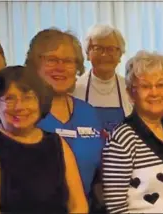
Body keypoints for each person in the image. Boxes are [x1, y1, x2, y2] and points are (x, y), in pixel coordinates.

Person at [0, 65, 88, 213]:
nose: (19, 106)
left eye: (28, 98)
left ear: (40, 103)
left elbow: (79, 205)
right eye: (9, 99)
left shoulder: (56, 142)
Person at [102, 50, 163, 213]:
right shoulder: (123, 139)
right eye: (145, 86)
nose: (154, 93)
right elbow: (115, 208)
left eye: (160, 85)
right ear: (131, 93)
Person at [24, 28, 105, 203]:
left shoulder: (89, 113)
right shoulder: (22, 114)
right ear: (34, 65)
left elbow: (101, 175)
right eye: (51, 60)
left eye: (68, 61)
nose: (60, 67)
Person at [72, 24, 132, 136]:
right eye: (98, 48)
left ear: (120, 55)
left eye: (111, 49)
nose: (104, 54)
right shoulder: (74, 89)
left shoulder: (130, 89)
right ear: (87, 54)